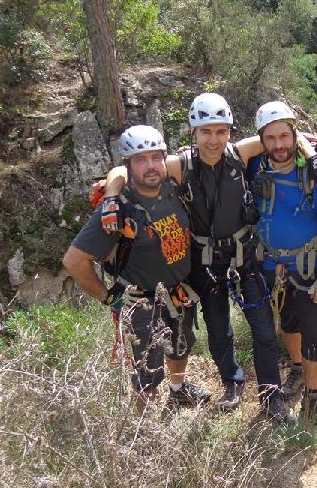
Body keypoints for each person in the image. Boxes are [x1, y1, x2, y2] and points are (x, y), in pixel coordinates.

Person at [101, 94, 311, 423]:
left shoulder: (239, 154)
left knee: (264, 330)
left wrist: (316, 158)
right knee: (218, 330)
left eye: (220, 131)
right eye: (205, 132)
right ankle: (232, 382)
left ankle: (270, 396)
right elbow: (122, 169)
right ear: (193, 133)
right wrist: (112, 195)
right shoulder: (180, 165)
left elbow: (286, 136)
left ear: (229, 132)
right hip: (204, 262)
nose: (214, 140)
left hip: (243, 257)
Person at [63, 125, 209, 414]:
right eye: (141, 160)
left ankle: (179, 390)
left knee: (181, 344)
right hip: (141, 302)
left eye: (156, 158)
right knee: (148, 370)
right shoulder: (118, 208)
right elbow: (74, 261)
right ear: (128, 165)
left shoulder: (173, 188)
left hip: (179, 292)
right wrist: (109, 298)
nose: (151, 166)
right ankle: (145, 431)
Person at [249, 100, 317, 432]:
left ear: (294, 134)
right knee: (289, 326)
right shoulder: (255, 168)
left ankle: (314, 400)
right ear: (261, 140)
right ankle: (298, 369)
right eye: (270, 138)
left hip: (313, 268)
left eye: (284, 136)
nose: (278, 145)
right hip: (274, 269)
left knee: (316, 336)